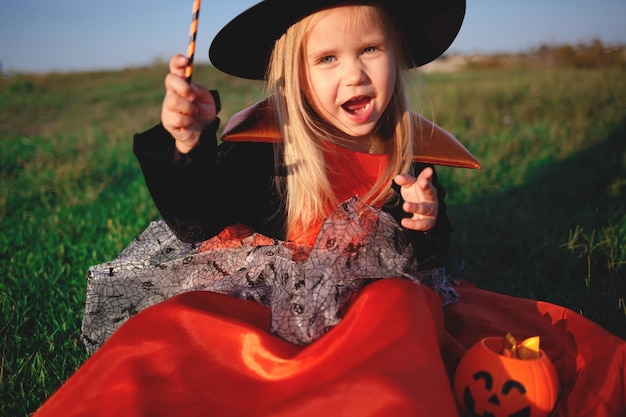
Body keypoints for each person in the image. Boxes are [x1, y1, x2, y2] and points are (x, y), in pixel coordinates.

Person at [34, 1, 626, 416]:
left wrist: (425, 222)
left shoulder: (408, 150)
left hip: (369, 303)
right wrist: (187, 145)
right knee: (183, 330)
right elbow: (198, 220)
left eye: (370, 48)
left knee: (401, 305)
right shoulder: (266, 144)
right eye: (328, 59)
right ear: (295, 71)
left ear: (396, 53)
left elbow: (427, 257)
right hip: (266, 294)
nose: (355, 72)